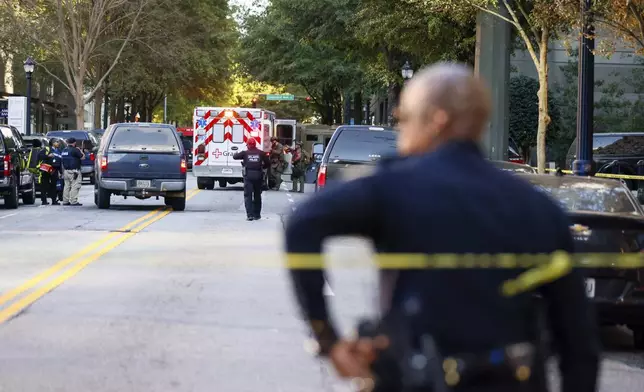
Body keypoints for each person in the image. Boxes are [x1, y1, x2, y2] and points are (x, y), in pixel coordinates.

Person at [284, 63, 600, 392]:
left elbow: (303, 224)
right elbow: (578, 341)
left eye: (404, 119)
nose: (401, 131)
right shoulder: (539, 208)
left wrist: (327, 338)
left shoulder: (394, 187)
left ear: (437, 119)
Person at [233, 138, 270, 221]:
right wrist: (262, 167)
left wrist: (236, 153)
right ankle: (257, 215)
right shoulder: (261, 153)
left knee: (248, 196)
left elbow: (235, 157)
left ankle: (250, 215)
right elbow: (268, 163)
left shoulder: (245, 153)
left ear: (248, 145)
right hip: (258, 176)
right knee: (257, 195)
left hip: (248, 176)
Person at [61, 137, 84, 206]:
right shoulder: (75, 150)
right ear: (74, 143)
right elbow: (82, 157)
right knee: (75, 185)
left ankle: (65, 201)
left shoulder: (64, 150)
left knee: (66, 186)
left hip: (66, 171)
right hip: (74, 171)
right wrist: (80, 150)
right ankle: (73, 201)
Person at [36, 139, 59, 205]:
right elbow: (40, 156)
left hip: (54, 170)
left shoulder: (58, 150)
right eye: (56, 142)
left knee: (54, 185)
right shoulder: (46, 149)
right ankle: (44, 201)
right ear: (52, 143)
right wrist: (47, 156)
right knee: (44, 185)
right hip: (46, 169)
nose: (58, 143)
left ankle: (54, 200)